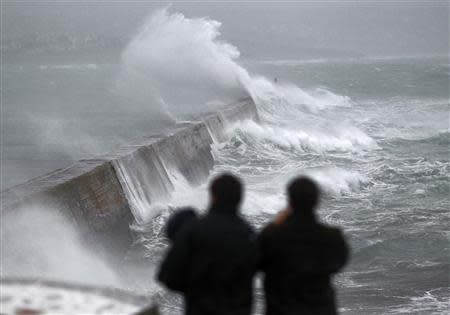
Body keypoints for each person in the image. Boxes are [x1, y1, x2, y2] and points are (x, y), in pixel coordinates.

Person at [157, 173, 257, 315]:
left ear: (213, 196)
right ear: (240, 199)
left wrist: (193, 290)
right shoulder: (248, 235)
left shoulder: (193, 230)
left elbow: (167, 276)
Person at [258, 176, 349, 315]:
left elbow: (258, 262)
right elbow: (340, 263)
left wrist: (276, 223)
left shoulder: (272, 236)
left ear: (289, 201)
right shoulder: (332, 237)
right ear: (317, 201)